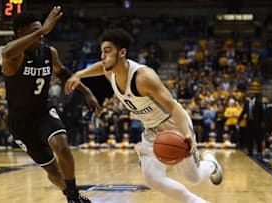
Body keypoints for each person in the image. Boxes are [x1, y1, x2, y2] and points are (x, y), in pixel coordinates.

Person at [65, 28, 223, 203]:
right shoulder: (110, 72)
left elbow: (173, 106)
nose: (103, 56)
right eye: (102, 51)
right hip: (151, 131)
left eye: (108, 51)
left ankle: (211, 163)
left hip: (174, 125)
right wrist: (79, 74)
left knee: (193, 176)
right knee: (152, 179)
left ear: (122, 53)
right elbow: (100, 67)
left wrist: (186, 133)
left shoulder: (143, 77)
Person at [1, 6, 99, 203]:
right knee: (52, 170)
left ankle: (72, 196)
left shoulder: (49, 52)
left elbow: (62, 73)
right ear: (21, 35)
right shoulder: (12, 56)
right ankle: (73, 195)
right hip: (20, 122)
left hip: (43, 112)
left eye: (43, 31)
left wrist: (86, 91)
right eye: (36, 31)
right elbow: (8, 51)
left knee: (61, 146)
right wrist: (43, 29)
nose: (42, 35)